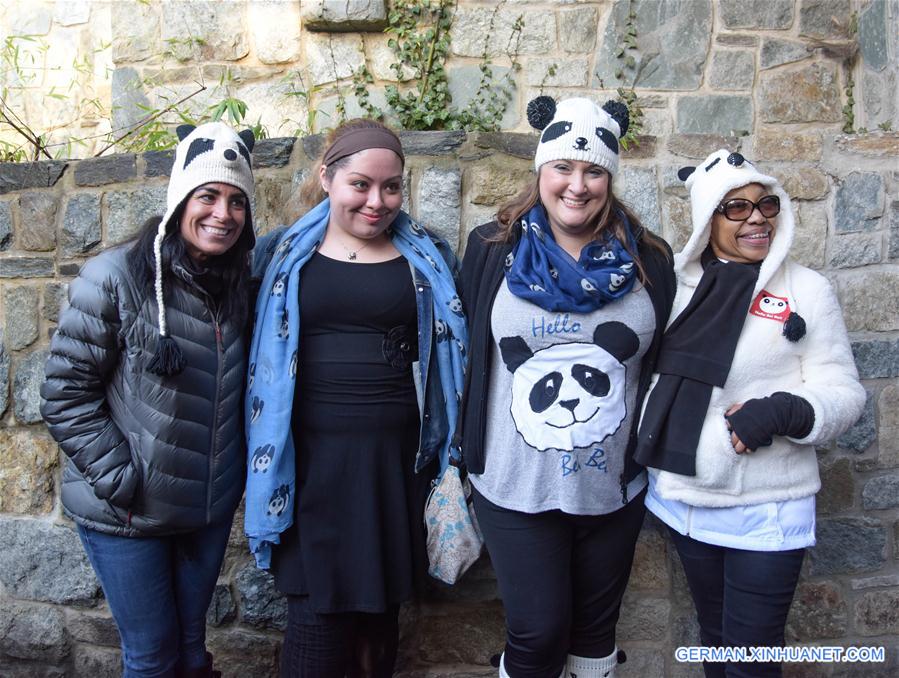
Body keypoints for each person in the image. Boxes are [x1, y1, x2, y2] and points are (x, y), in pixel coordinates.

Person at [457, 96, 675, 678]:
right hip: (513, 486)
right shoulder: (491, 250)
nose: (577, 185)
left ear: (610, 178)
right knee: (537, 634)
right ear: (540, 170)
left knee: (595, 638)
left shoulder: (649, 259)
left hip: (612, 490)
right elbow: (461, 355)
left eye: (594, 171)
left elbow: (664, 363)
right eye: (563, 167)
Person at [243, 119, 467, 677]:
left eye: (391, 187)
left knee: (378, 628)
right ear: (327, 178)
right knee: (317, 627)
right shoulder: (281, 254)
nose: (377, 201)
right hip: (311, 470)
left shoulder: (428, 256)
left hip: (395, 467)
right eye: (360, 185)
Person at [635, 149, 866, 677]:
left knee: (750, 662)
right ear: (707, 219)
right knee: (716, 644)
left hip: (767, 509)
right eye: (735, 208)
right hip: (687, 501)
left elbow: (845, 394)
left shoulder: (807, 289)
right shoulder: (674, 289)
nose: (757, 217)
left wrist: (783, 410)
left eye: (766, 204)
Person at [40, 122, 257, 677]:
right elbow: (66, 394)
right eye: (208, 196)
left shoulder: (237, 290)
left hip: (204, 512)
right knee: (154, 658)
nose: (222, 213)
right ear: (180, 200)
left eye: (237, 201)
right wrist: (121, 479)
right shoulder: (113, 278)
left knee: (190, 650)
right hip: (128, 512)